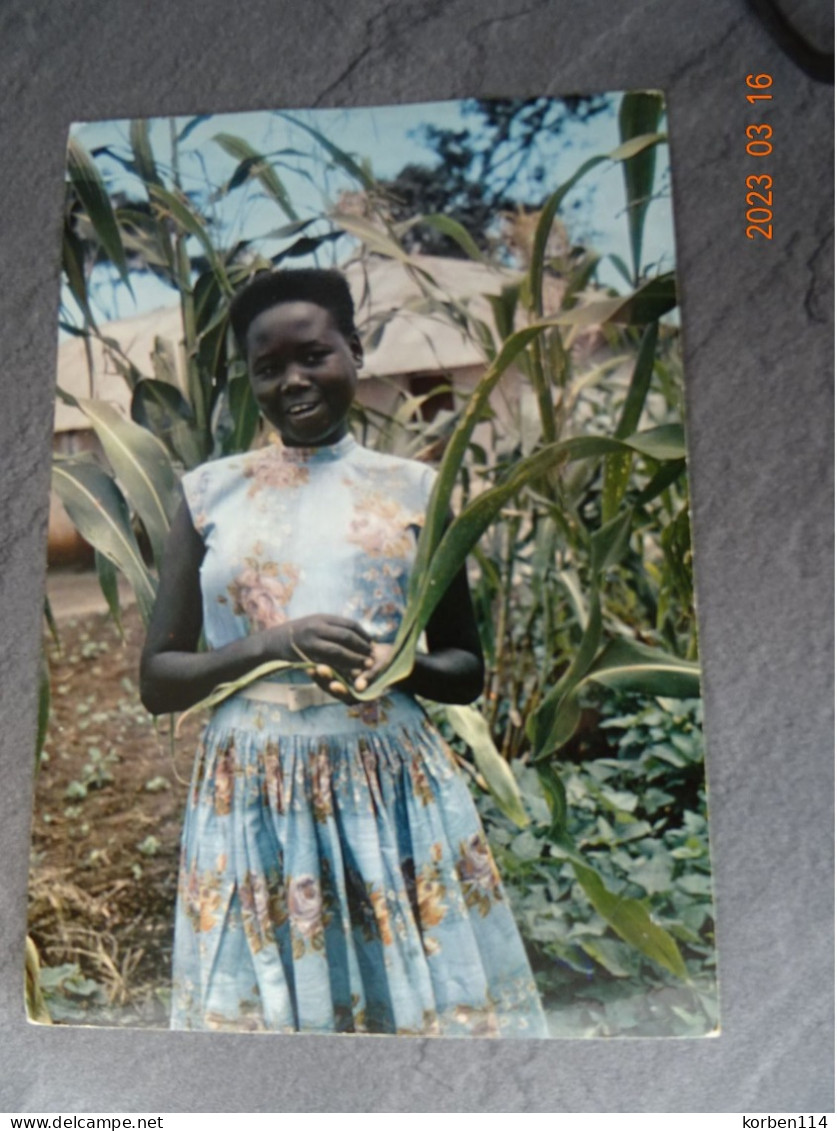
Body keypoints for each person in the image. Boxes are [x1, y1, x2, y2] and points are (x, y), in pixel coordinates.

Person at [140, 268, 547, 1038]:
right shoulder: (206, 494)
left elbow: (465, 670)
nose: (293, 380)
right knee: (278, 1019)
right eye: (268, 368)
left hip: (384, 785)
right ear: (250, 380)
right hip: (255, 788)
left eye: (314, 355)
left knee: (407, 1006)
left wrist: (398, 665)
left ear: (355, 353)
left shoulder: (415, 490)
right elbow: (158, 681)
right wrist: (270, 643)